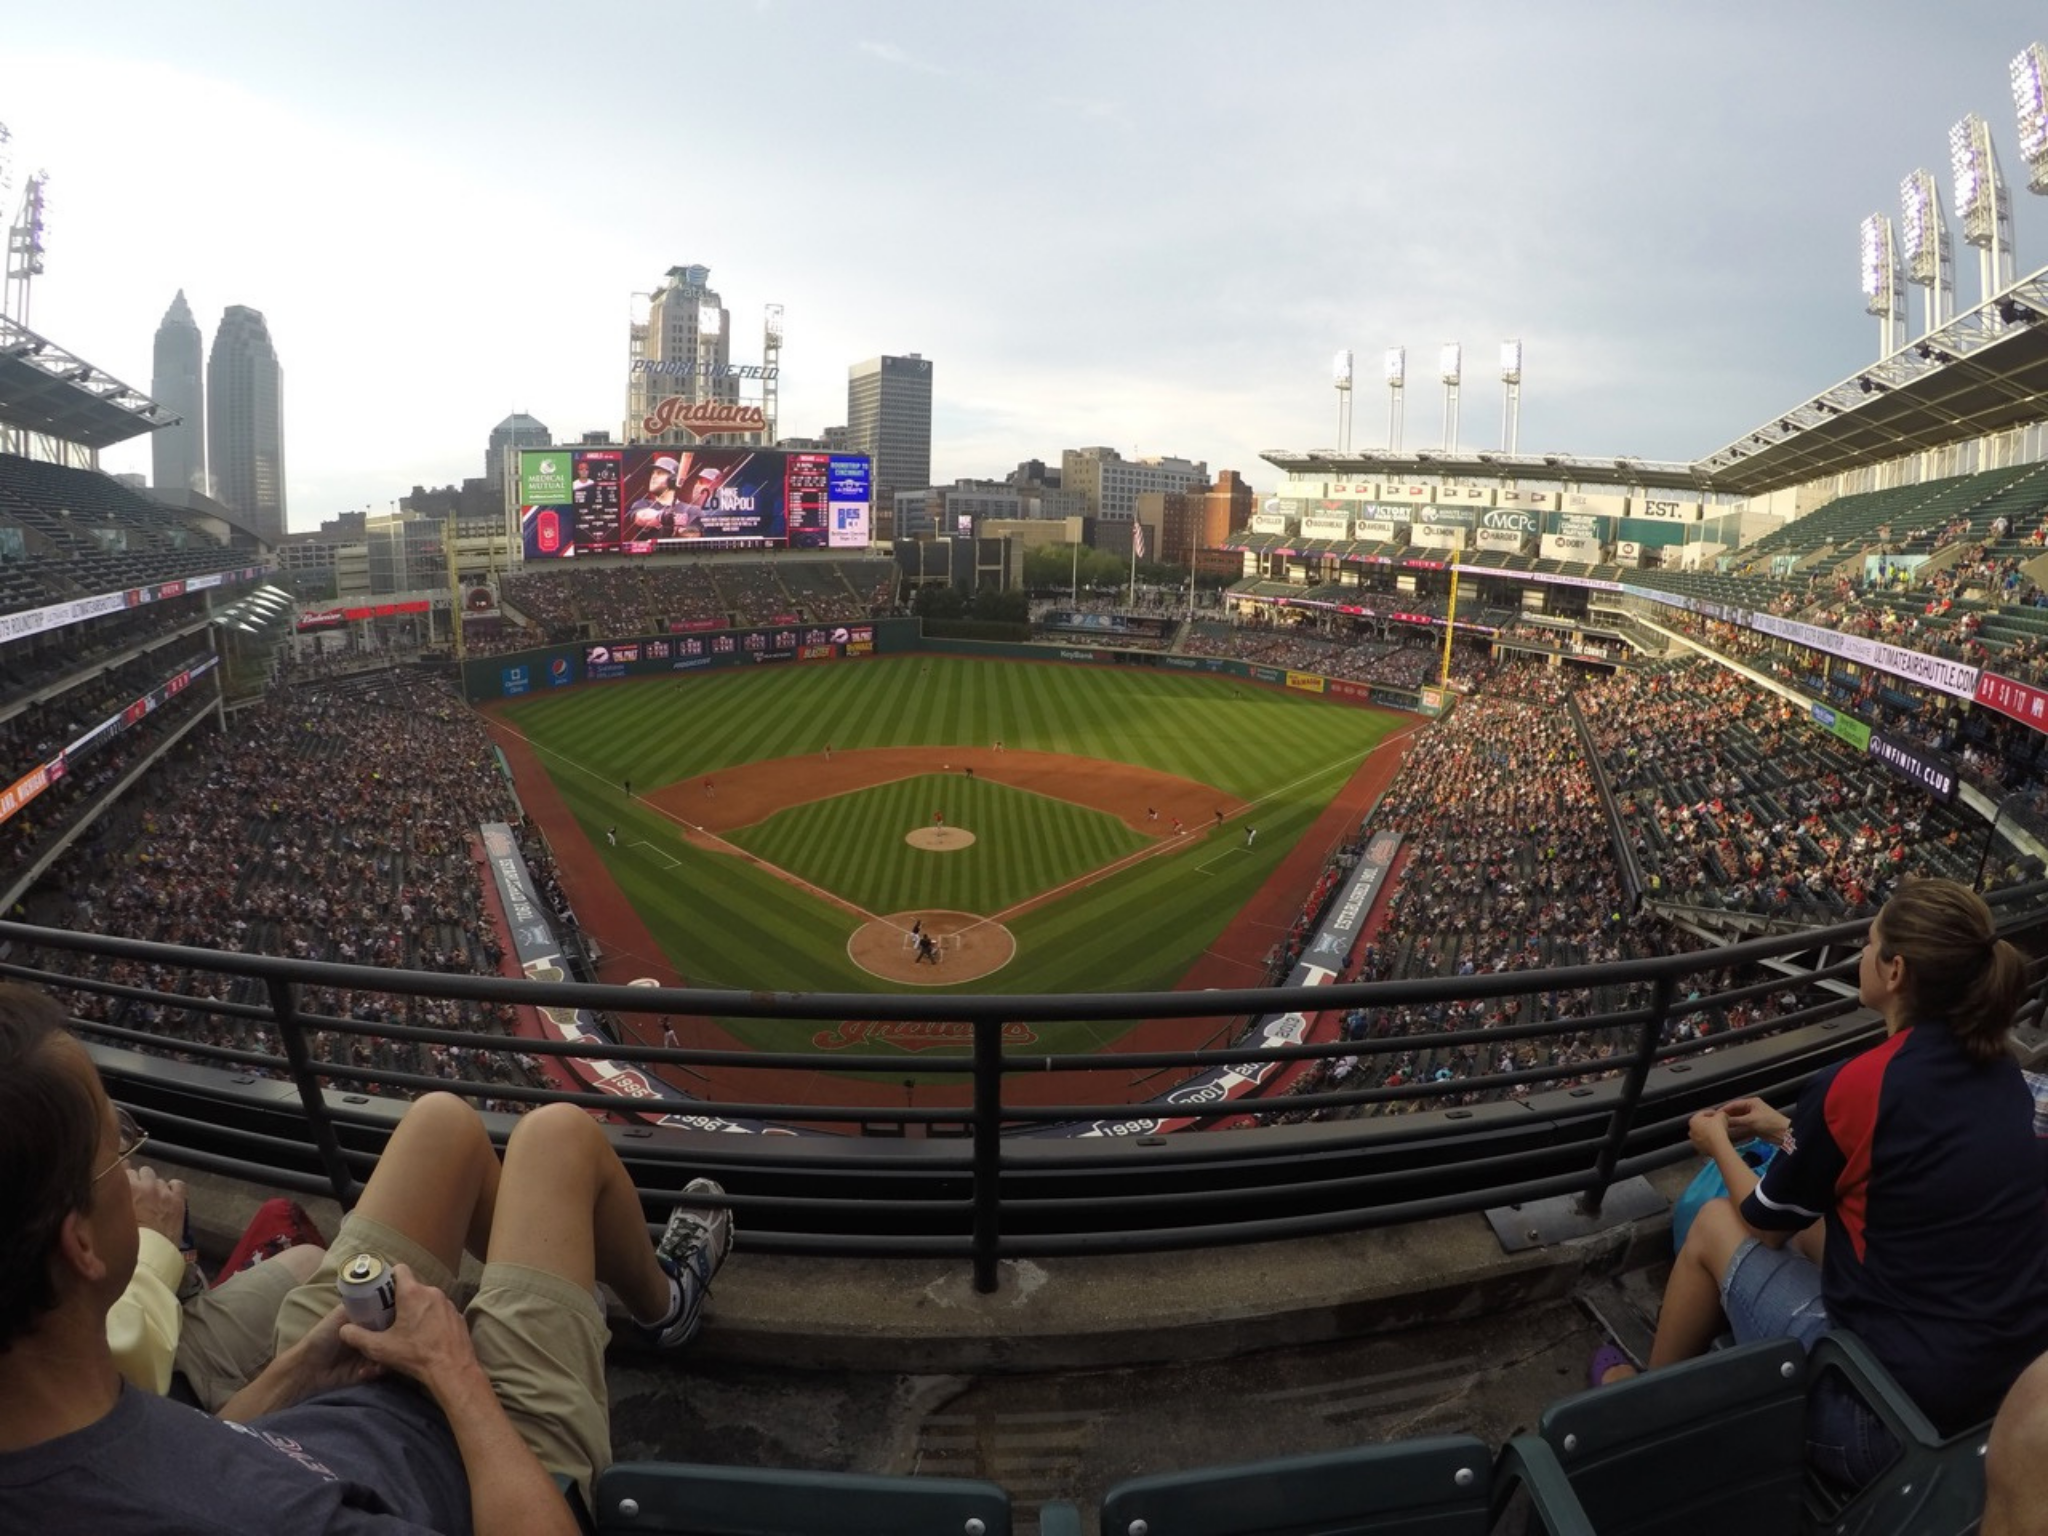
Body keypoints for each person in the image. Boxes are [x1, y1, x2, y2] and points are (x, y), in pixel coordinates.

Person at [0, 983, 734, 1531]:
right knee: (557, 1138)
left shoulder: (56, 1417)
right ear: (82, 1245)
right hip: (485, 1452)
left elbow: (219, 1440)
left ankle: (540, 1285)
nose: (135, 1172)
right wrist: (453, 1369)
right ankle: (665, 1305)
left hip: (319, 1399)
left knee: (441, 1122)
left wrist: (303, 1366)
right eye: (116, 1147)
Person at [1597, 879, 2048, 1485]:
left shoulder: (1859, 1083)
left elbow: (1762, 1218)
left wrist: (1716, 1143)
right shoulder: (2002, 1071)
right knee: (1812, 1223)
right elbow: (1885, 1157)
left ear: (1895, 971)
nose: (1859, 954)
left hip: (1881, 1426)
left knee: (1714, 1224)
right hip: (2003, 1405)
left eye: (1868, 944)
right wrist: (1785, 1127)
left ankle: (1641, 1413)